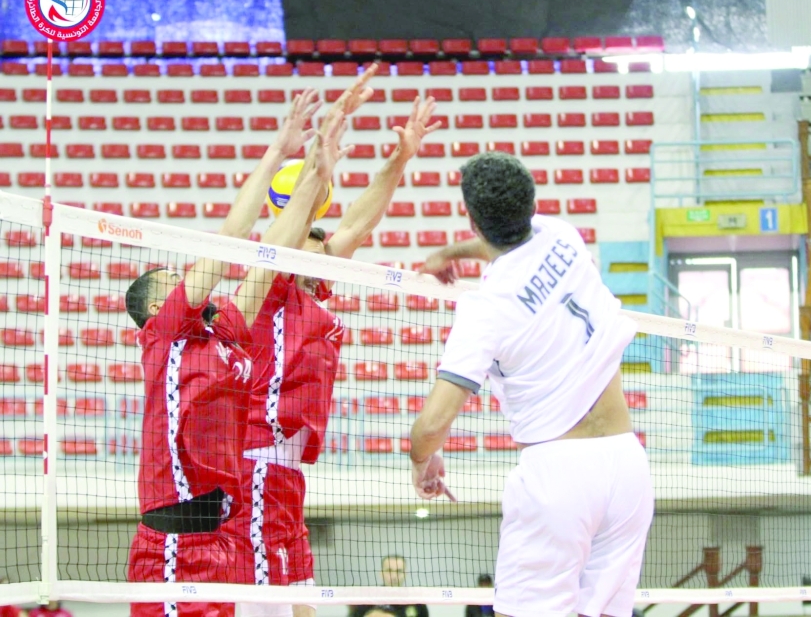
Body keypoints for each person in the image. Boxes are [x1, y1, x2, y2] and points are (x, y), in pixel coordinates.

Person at [411, 151, 655, 617]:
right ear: (533, 202)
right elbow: (503, 243)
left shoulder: (484, 311)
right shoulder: (562, 234)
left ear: (472, 220)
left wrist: (422, 461)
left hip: (559, 473)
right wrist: (449, 253)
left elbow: (429, 426)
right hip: (627, 464)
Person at [227, 84, 441, 617]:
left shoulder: (315, 280)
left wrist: (399, 156)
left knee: (303, 600)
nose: (326, 245)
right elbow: (299, 227)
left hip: (287, 471)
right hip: (255, 460)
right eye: (311, 237)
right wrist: (316, 162)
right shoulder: (268, 281)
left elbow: (358, 223)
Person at [123, 89, 338, 617]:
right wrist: (274, 155)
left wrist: (312, 173)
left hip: (221, 539)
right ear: (157, 305)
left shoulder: (225, 337)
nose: (184, 280)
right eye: (171, 279)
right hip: (172, 544)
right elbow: (230, 241)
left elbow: (267, 258)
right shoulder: (167, 333)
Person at [348, 555, 428, 617]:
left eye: (399, 571)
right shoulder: (367, 599)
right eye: (389, 571)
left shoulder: (417, 601)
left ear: (405, 574)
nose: (394, 576)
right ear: (382, 573)